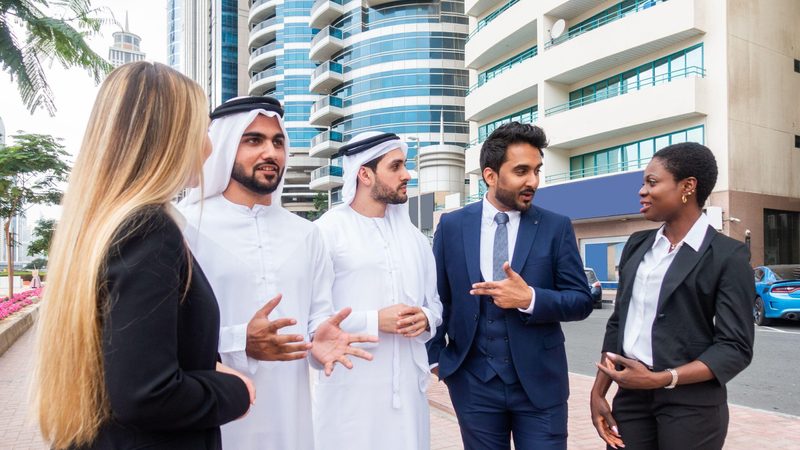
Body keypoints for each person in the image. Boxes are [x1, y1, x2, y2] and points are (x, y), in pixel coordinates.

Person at [32, 61, 253, 450]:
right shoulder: (149, 231)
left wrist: (201, 364)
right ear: (168, 137)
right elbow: (146, 394)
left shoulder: (99, 227)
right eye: (200, 130)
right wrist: (233, 390)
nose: (207, 147)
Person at [178, 96, 377, 450]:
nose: (270, 152)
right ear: (225, 146)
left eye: (278, 142)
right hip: (216, 416)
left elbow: (317, 319)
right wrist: (242, 341)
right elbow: (170, 339)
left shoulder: (306, 234)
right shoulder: (186, 227)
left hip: (291, 419)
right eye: (253, 140)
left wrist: (321, 342)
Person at [427, 122, 593, 449]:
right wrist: (437, 361)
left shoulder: (555, 227)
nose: (532, 181)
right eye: (521, 171)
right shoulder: (452, 226)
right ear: (491, 176)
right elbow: (437, 300)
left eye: (536, 170)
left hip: (540, 386)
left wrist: (529, 298)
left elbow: (581, 300)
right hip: (472, 384)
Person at [590, 142, 755, 450]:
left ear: (687, 186)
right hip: (632, 398)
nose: (642, 191)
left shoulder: (727, 256)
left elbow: (735, 348)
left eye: (652, 182)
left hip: (692, 405)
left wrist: (663, 378)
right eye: (643, 183)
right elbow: (618, 324)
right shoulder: (637, 245)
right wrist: (599, 391)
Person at [313, 132, 443, 450]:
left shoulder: (414, 239)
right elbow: (311, 318)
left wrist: (425, 318)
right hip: (349, 390)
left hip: (408, 393)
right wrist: (374, 321)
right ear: (365, 173)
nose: (407, 175)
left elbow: (436, 305)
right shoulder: (326, 232)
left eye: (405, 165)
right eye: (396, 166)